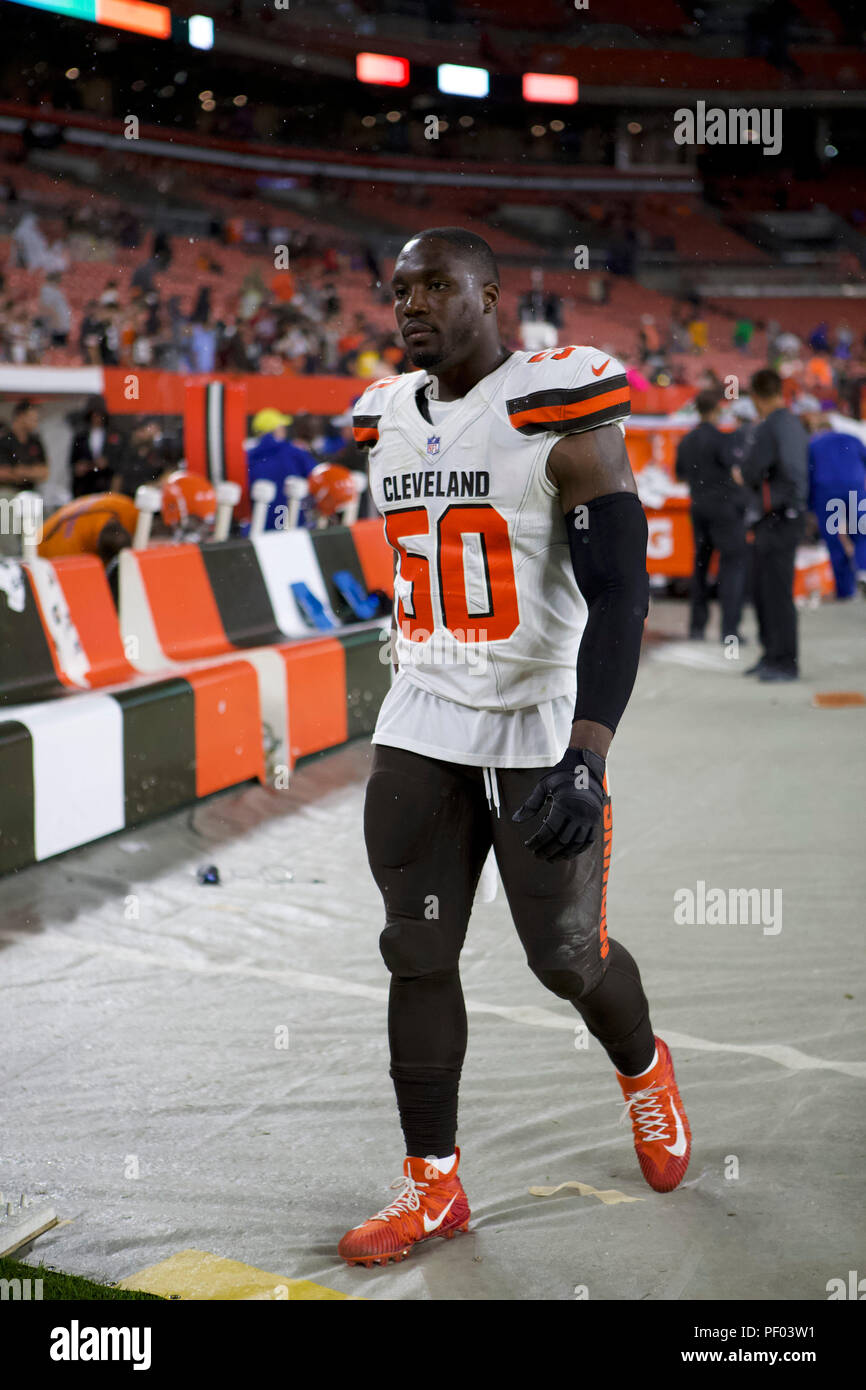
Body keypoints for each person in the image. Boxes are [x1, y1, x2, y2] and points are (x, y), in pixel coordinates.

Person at [339, 227, 691, 1269]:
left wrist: (587, 754)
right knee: (415, 946)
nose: (409, 304)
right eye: (399, 288)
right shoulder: (382, 418)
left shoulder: (556, 405)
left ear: (491, 297)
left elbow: (622, 592)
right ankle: (432, 1186)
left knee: (564, 958)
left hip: (539, 720)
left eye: (434, 286)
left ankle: (642, 1068)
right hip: (421, 715)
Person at [741, 369, 809, 681]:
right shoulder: (793, 423)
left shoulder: (769, 426)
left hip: (775, 517)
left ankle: (783, 660)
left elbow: (753, 469)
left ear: (756, 396)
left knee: (773, 590)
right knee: (770, 588)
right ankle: (772, 655)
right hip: (789, 515)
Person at [675, 389, 747, 643]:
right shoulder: (721, 439)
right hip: (724, 508)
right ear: (716, 410)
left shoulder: (686, 440)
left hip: (699, 506)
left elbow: (680, 473)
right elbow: (734, 470)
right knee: (732, 566)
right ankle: (729, 630)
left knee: (701, 566)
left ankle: (697, 627)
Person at [799, 401, 866, 599]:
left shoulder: (812, 444)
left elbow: (807, 475)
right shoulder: (852, 438)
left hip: (826, 492)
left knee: (833, 540)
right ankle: (863, 570)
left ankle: (845, 590)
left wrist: (809, 505)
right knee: (861, 533)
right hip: (855, 488)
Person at [245, 407, 316, 529]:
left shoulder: (248, 457)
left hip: (258, 526)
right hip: (293, 523)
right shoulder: (294, 452)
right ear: (275, 430)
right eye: (282, 428)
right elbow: (317, 476)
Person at [0, 399, 49, 491]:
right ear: (20, 416)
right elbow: (3, 473)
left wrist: (21, 472)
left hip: (30, 492)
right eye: (32, 419)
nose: (36, 423)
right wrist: (31, 472)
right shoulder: (4, 441)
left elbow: (44, 472)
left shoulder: (35, 442)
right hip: (8, 493)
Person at [111, 419, 167, 498]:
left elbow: (167, 473)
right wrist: (114, 497)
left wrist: (153, 484)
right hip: (127, 497)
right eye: (138, 431)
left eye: (143, 431)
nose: (139, 435)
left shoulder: (157, 454)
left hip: (148, 498)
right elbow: (118, 477)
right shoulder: (126, 453)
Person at [68, 402, 115, 497]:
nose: (96, 419)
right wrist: (80, 466)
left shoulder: (112, 436)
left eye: (99, 416)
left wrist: (107, 463)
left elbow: (118, 459)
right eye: (94, 416)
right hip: (85, 484)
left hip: (104, 482)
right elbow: (73, 460)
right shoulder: (81, 436)